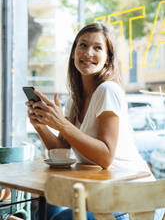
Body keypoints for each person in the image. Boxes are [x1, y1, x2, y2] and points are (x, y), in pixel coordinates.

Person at [26, 23, 164, 220]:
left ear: (108, 59)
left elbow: (106, 157)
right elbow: (61, 153)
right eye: (82, 45)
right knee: (50, 203)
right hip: (105, 192)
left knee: (59, 218)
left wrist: (62, 124)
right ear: (74, 53)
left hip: (136, 199)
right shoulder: (75, 99)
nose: (88, 52)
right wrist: (41, 126)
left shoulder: (108, 90)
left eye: (97, 47)